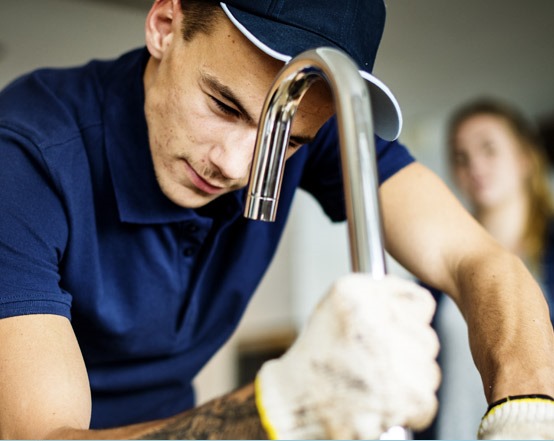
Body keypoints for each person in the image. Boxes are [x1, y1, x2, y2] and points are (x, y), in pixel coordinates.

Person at [0, 0, 553, 439]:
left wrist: (528, 407)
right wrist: (281, 408)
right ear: (165, 24)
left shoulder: (303, 110)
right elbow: (41, 436)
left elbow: (473, 258)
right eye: (223, 106)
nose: (237, 166)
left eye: (287, 142)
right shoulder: (25, 156)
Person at [430, 98, 554, 439]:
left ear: (524, 158)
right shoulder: (438, 261)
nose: (475, 165)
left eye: (489, 149)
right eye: (461, 155)